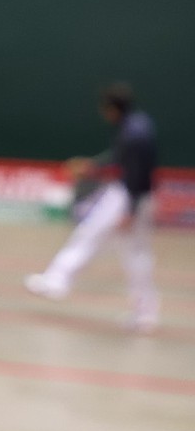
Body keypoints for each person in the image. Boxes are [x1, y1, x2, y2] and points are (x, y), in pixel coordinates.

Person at [25, 82, 159, 332]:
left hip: (128, 197)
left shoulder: (133, 132)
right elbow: (122, 160)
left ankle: (57, 280)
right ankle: (145, 314)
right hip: (139, 196)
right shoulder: (138, 126)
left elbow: (135, 173)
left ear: (112, 107)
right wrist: (92, 167)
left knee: (91, 234)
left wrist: (129, 210)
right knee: (134, 254)